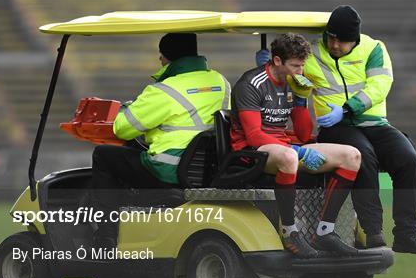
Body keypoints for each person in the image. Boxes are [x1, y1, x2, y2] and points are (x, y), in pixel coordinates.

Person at [282, 6, 416, 254]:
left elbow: (380, 86)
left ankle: (407, 234)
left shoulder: (374, 49)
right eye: (330, 37)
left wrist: (347, 108)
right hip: (335, 128)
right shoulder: (312, 53)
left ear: (356, 39)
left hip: (372, 123)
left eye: (341, 41)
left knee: (409, 159)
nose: (334, 44)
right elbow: (297, 79)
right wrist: (288, 78)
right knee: (363, 155)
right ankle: (373, 232)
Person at [92, 33, 230, 248]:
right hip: (208, 168)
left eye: (161, 56)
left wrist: (128, 107)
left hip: (168, 169)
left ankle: (106, 235)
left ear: (167, 58)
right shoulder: (221, 82)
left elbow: (122, 128)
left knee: (104, 155)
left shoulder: (164, 90)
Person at [232, 33, 362, 258]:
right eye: (295, 66)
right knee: (289, 158)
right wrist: (297, 151)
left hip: (285, 147)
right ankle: (289, 232)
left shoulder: (293, 83)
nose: (300, 71)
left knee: (352, 156)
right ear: (277, 60)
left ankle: (325, 232)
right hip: (252, 152)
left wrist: (301, 100)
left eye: (302, 66)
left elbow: (302, 134)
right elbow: (254, 136)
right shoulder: (251, 84)